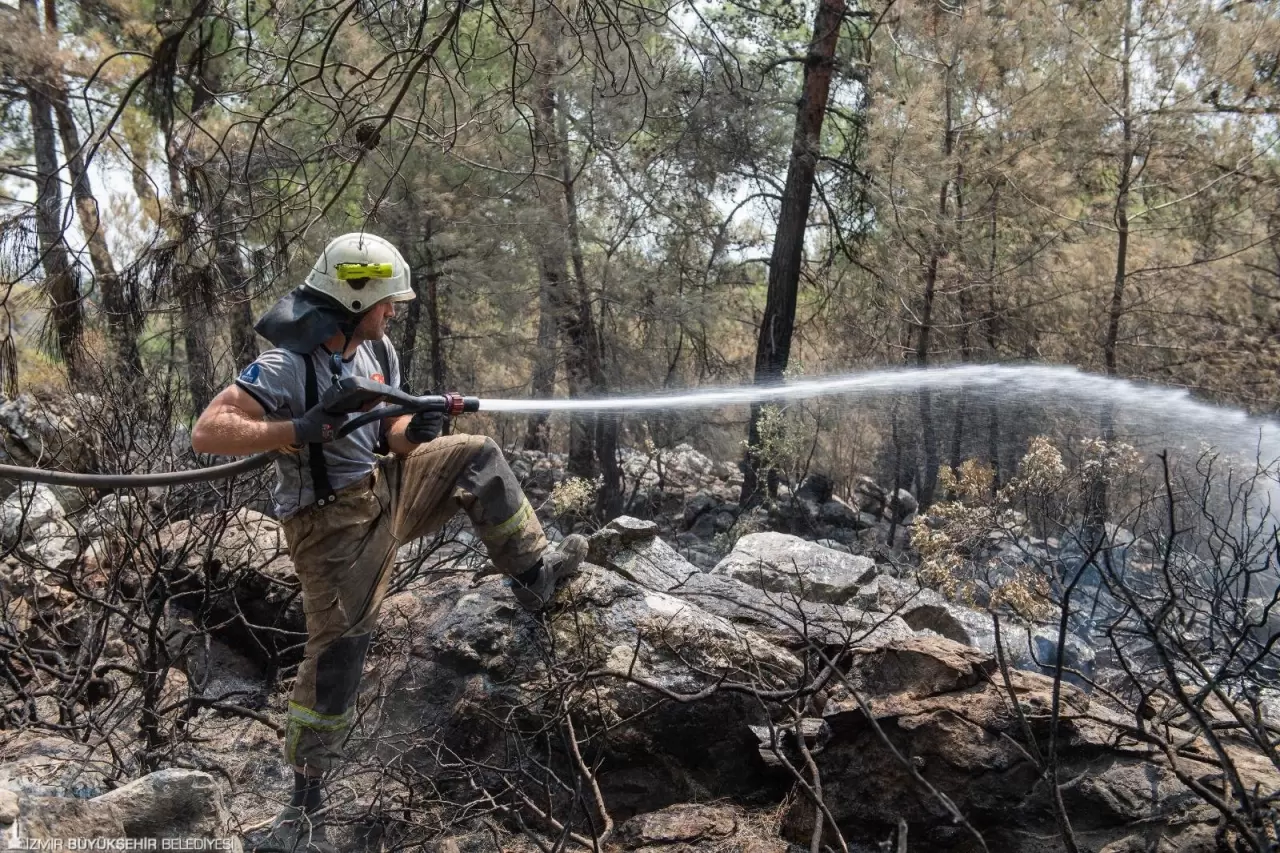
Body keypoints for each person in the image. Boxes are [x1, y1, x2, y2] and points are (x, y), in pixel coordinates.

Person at [191, 232, 587, 853]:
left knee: (476, 456)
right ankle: (301, 810)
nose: (393, 312)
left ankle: (533, 576)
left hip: (388, 488)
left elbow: (391, 438)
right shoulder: (285, 365)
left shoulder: (378, 354)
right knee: (340, 654)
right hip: (330, 526)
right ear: (353, 302)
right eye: (385, 301)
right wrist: (296, 427)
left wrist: (416, 430)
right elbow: (209, 432)